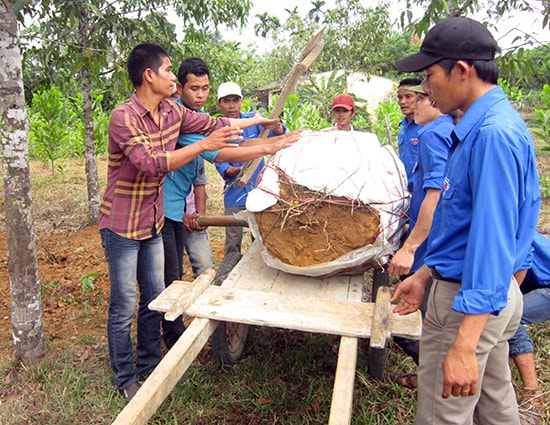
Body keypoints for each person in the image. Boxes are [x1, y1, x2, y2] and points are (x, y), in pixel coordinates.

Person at [99, 44, 295, 401]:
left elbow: (219, 123)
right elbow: (152, 163)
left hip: (152, 222)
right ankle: (125, 376)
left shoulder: (172, 112)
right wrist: (205, 144)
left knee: (154, 297)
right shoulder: (123, 117)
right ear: (149, 76)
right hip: (121, 225)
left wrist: (261, 125)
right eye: (169, 70)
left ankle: (150, 364)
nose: (173, 76)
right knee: (125, 302)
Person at [391, 17, 540, 425]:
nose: (426, 88)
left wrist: (463, 343)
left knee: (443, 415)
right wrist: (424, 274)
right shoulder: (482, 129)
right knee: (494, 408)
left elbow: (491, 241)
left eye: (430, 75)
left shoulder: (491, 136)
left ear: (462, 70)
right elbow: (468, 227)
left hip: (468, 302)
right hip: (492, 296)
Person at [388, 84, 454, 374]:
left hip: (431, 234)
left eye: (418, 99)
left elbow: (435, 192)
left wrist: (409, 246)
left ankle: (433, 373)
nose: (412, 105)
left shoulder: (431, 134)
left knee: (429, 303)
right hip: (430, 227)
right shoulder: (445, 129)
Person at [215, 82, 286, 256]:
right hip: (235, 195)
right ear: (219, 105)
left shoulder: (254, 121)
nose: (231, 105)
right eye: (226, 101)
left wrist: (278, 128)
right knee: (233, 243)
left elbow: (279, 138)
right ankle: (229, 274)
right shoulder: (216, 131)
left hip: (259, 193)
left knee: (261, 240)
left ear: (241, 102)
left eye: (235, 100)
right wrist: (245, 162)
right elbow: (226, 169)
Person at [510, 232, 550, 419]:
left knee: (509, 317)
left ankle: (533, 396)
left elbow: (524, 257)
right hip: (538, 281)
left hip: (547, 285)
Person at [397, 78, 423, 192]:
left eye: (408, 96)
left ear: (420, 98)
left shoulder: (425, 128)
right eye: (400, 97)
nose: (402, 102)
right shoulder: (402, 130)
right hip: (404, 190)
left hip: (420, 190)